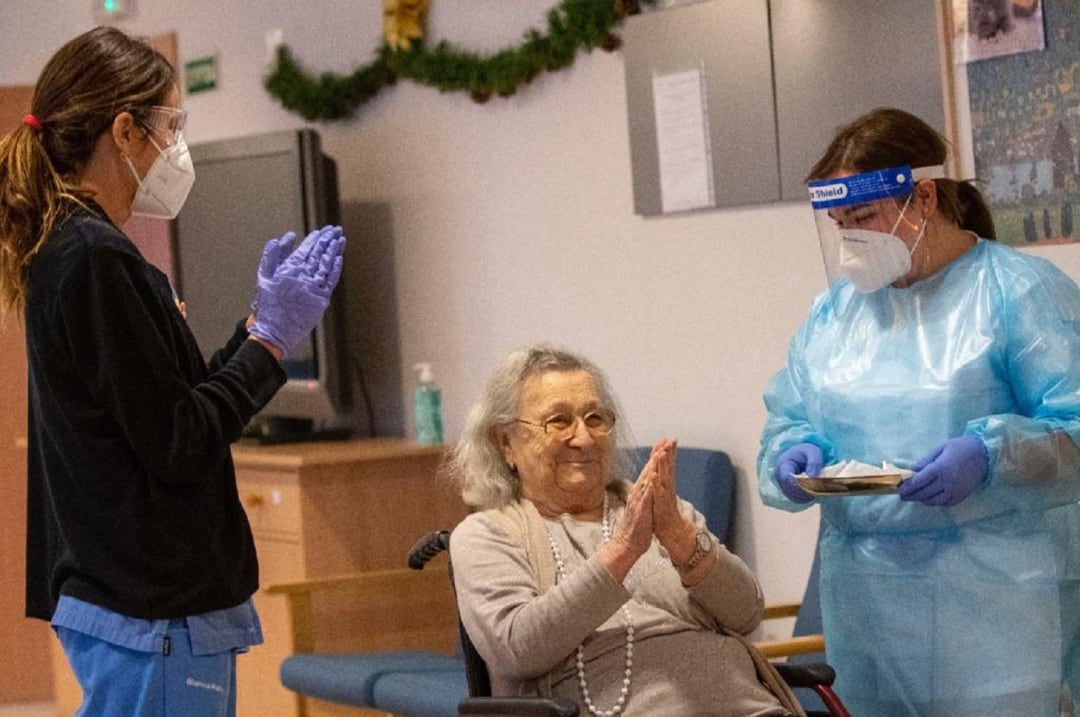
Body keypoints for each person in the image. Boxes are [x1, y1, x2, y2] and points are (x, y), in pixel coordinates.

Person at [0, 27, 346, 717]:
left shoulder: (72, 250)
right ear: (125, 132)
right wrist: (271, 342)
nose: (177, 148)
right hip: (150, 609)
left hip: (128, 602)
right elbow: (181, 438)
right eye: (172, 126)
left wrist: (254, 332)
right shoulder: (95, 258)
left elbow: (168, 405)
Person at [757, 107, 1080, 716]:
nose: (852, 239)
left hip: (997, 611)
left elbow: (1076, 426)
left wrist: (990, 456)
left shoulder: (1018, 293)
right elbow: (791, 415)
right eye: (840, 223)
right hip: (867, 609)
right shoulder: (835, 315)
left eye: (864, 219)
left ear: (923, 198)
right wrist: (792, 453)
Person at [446, 343, 802, 717]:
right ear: (506, 443)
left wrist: (680, 538)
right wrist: (621, 552)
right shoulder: (486, 534)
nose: (583, 438)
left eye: (595, 418)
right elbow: (518, 649)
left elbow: (746, 613)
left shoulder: (663, 511)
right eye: (559, 421)